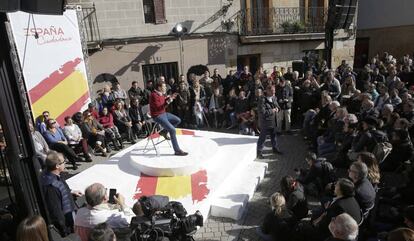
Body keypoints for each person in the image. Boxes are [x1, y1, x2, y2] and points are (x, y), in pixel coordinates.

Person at [41, 151, 82, 236]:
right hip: (67, 224)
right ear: (57, 166)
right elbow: (56, 211)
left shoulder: (54, 174)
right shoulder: (50, 186)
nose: (65, 163)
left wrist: (70, 192)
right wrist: (65, 229)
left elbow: (61, 189)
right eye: (63, 162)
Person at [149, 81, 188, 156]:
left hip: (163, 113)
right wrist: (169, 101)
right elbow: (158, 107)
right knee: (172, 130)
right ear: (159, 87)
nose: (165, 88)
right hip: (157, 115)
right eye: (164, 86)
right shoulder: (153, 95)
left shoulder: (161, 94)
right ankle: (177, 150)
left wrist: (170, 97)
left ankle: (164, 131)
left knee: (178, 120)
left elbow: (163, 104)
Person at [256, 85, 282, 159]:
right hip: (265, 122)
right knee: (262, 138)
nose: (274, 93)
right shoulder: (262, 99)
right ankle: (259, 152)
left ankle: (275, 149)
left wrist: (278, 109)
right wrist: (272, 110)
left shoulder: (274, 98)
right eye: (272, 91)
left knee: (274, 136)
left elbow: (278, 106)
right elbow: (262, 112)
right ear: (267, 91)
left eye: (274, 91)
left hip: (273, 121)